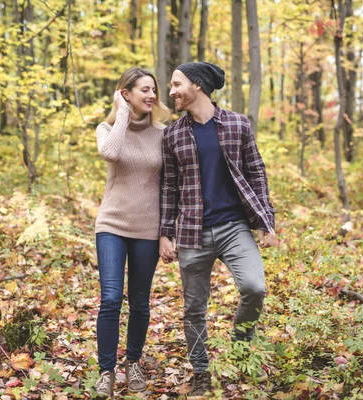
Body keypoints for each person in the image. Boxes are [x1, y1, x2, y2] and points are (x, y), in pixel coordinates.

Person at [159, 61, 276, 397]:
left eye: (177, 84)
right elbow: (169, 187)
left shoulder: (238, 124)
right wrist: (165, 234)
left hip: (234, 227)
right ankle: (201, 372)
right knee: (194, 309)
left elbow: (257, 174)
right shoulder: (172, 135)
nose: (172, 92)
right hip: (193, 232)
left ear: (197, 85)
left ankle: (240, 346)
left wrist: (267, 222)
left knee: (254, 287)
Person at [93, 67, 170, 398]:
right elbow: (110, 152)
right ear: (125, 94)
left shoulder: (163, 134)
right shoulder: (107, 128)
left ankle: (133, 363)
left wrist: (169, 231)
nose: (152, 95)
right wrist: (122, 112)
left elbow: (172, 185)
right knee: (111, 299)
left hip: (148, 229)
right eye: (143, 90)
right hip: (112, 224)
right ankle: (106, 370)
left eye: (153, 89)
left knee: (139, 302)